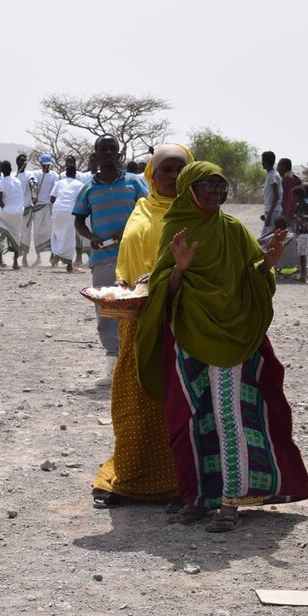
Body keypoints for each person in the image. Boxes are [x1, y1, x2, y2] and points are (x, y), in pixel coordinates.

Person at [136, 161, 308, 532]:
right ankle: (199, 498)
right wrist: (179, 268)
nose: (216, 193)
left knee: (230, 417)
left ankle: (231, 502)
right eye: (208, 186)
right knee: (195, 417)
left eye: (221, 186)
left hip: (232, 338)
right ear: (188, 190)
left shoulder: (232, 228)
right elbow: (164, 285)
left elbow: (250, 274)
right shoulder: (175, 228)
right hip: (190, 335)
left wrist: (268, 265)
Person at [90, 144, 191, 509]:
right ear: (152, 173)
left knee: (179, 400)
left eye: (181, 170)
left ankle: (185, 483)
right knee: (135, 399)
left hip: (185, 320)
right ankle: (131, 478)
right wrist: (128, 286)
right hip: (139, 315)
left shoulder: (197, 213)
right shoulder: (142, 209)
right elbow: (129, 260)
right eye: (166, 170)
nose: (173, 177)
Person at [73, 134, 148, 384]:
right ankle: (113, 367)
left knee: (137, 309)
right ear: (95, 153)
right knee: (106, 309)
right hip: (103, 257)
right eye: (102, 148)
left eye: (111, 148)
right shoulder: (88, 188)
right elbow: (78, 221)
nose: (107, 152)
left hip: (134, 257)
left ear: (118, 154)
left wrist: (129, 229)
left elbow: (147, 212)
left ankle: (138, 367)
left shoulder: (134, 183)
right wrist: (91, 236)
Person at [50, 159, 84, 272]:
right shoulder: (79, 184)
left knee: (57, 233)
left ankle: (56, 254)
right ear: (75, 174)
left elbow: (52, 198)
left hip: (57, 209)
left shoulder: (59, 183)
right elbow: (82, 200)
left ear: (66, 173)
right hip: (69, 210)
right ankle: (69, 265)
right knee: (69, 237)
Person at [0, 161, 24, 269]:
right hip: (19, 212)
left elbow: (0, 203)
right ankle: (15, 263)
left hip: (7, 212)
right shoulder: (17, 181)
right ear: (10, 169)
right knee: (16, 235)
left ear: (1, 171)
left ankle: (4, 231)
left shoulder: (0, 183)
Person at [32, 153, 57, 264]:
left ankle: (52, 255)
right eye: (44, 165)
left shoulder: (54, 175)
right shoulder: (36, 174)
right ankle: (38, 257)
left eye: (48, 165)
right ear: (41, 164)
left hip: (50, 206)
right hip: (39, 206)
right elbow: (33, 184)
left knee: (51, 231)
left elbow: (55, 189)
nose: (46, 167)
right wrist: (34, 192)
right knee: (37, 232)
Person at [259, 151, 281, 234]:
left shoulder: (272, 176)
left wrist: (270, 216)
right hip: (270, 211)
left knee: (270, 238)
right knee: (264, 237)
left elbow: (276, 196)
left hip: (273, 212)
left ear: (265, 162)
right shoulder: (272, 175)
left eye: (262, 161)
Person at [279, 157, 299, 223]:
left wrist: (288, 216)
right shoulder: (288, 178)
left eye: (280, 166)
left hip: (289, 216)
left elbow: (290, 200)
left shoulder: (289, 180)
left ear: (286, 167)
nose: (278, 168)